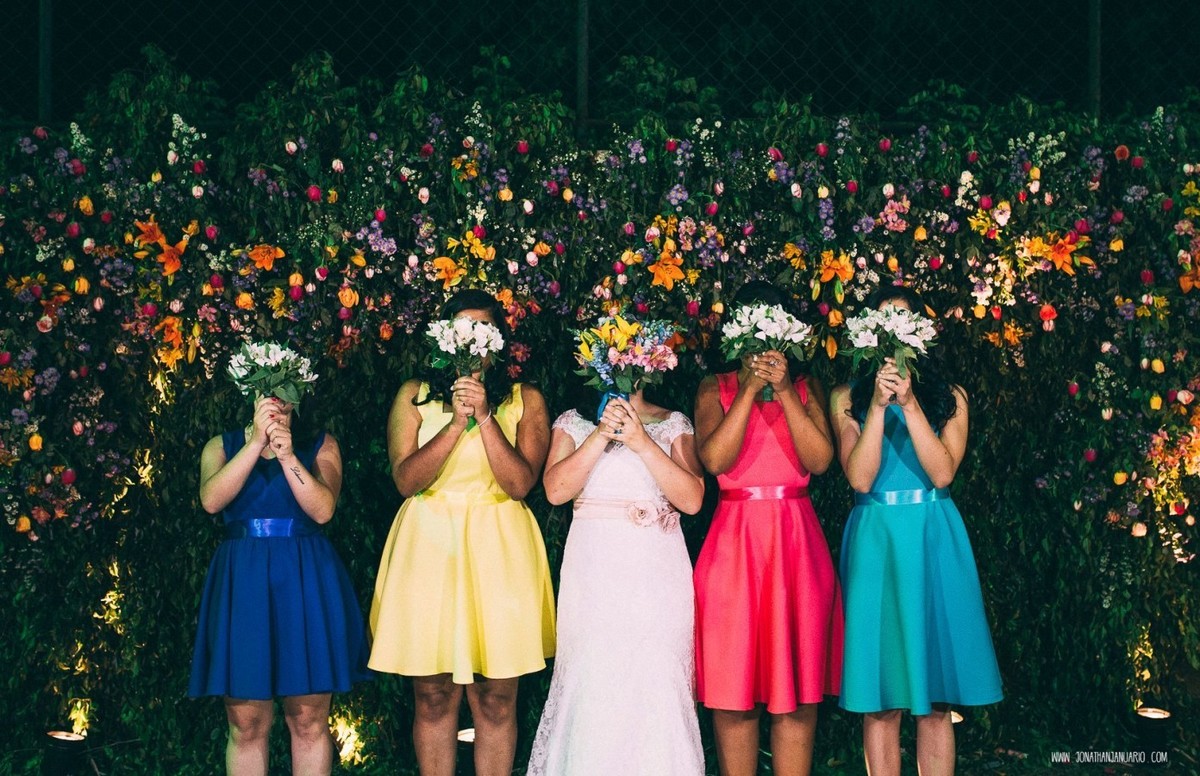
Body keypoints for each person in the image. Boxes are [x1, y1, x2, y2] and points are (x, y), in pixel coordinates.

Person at [369, 288, 555, 776]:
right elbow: (406, 480)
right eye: (462, 329)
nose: (472, 343)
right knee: (432, 696)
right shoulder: (415, 395)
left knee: (496, 697)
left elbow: (519, 483)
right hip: (430, 546)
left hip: (499, 548)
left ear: (497, 341)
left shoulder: (525, 399)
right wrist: (454, 424)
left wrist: (487, 416)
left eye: (483, 330)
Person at [829, 286, 1003, 776]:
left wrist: (909, 403)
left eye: (901, 320)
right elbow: (859, 477)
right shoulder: (846, 397)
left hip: (933, 535)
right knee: (881, 693)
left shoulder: (951, 397)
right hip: (877, 540)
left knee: (934, 696)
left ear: (921, 333)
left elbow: (943, 472)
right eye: (881, 321)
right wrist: (880, 407)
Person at [693, 281, 844, 776]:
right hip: (734, 544)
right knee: (733, 687)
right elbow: (714, 459)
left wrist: (783, 390)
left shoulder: (804, 387)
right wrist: (750, 390)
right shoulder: (715, 387)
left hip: (796, 542)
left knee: (797, 690)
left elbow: (820, 461)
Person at [189, 378, 370, 776]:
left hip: (303, 580)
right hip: (244, 584)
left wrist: (287, 455)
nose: (276, 402)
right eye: (267, 392)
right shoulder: (221, 446)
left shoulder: (322, 445)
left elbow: (322, 510)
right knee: (246, 722)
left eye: (285, 393)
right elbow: (211, 500)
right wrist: (256, 443)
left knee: (308, 719)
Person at [527, 382, 706, 775]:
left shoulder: (671, 423)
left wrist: (642, 441)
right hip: (594, 573)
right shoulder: (573, 423)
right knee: (593, 678)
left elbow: (692, 499)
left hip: (656, 574)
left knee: (656, 679)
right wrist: (600, 433)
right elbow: (556, 491)